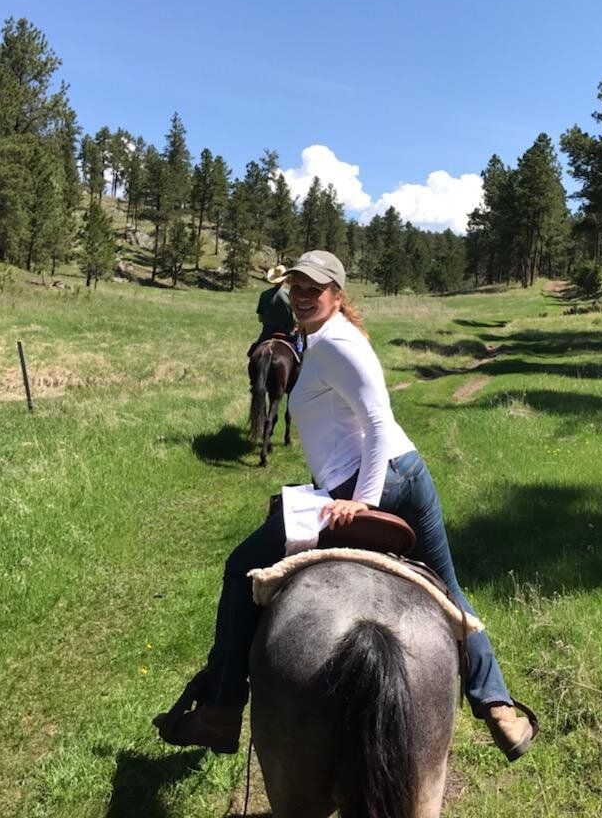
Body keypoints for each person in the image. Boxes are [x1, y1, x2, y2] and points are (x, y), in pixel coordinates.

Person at [155, 249, 538, 761]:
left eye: (316, 288)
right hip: (406, 473)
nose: (304, 295)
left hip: (366, 481)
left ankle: (221, 710)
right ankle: (498, 708)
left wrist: (360, 502)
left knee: (241, 566)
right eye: (297, 287)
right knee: (446, 586)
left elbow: (379, 421)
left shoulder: (337, 343)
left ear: (337, 294)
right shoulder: (318, 340)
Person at [246, 265, 300, 359]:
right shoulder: (290, 294)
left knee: (252, 352)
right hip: (287, 332)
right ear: (284, 279)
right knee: (300, 353)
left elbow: (260, 318)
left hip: (267, 332)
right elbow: (297, 318)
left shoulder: (264, 295)